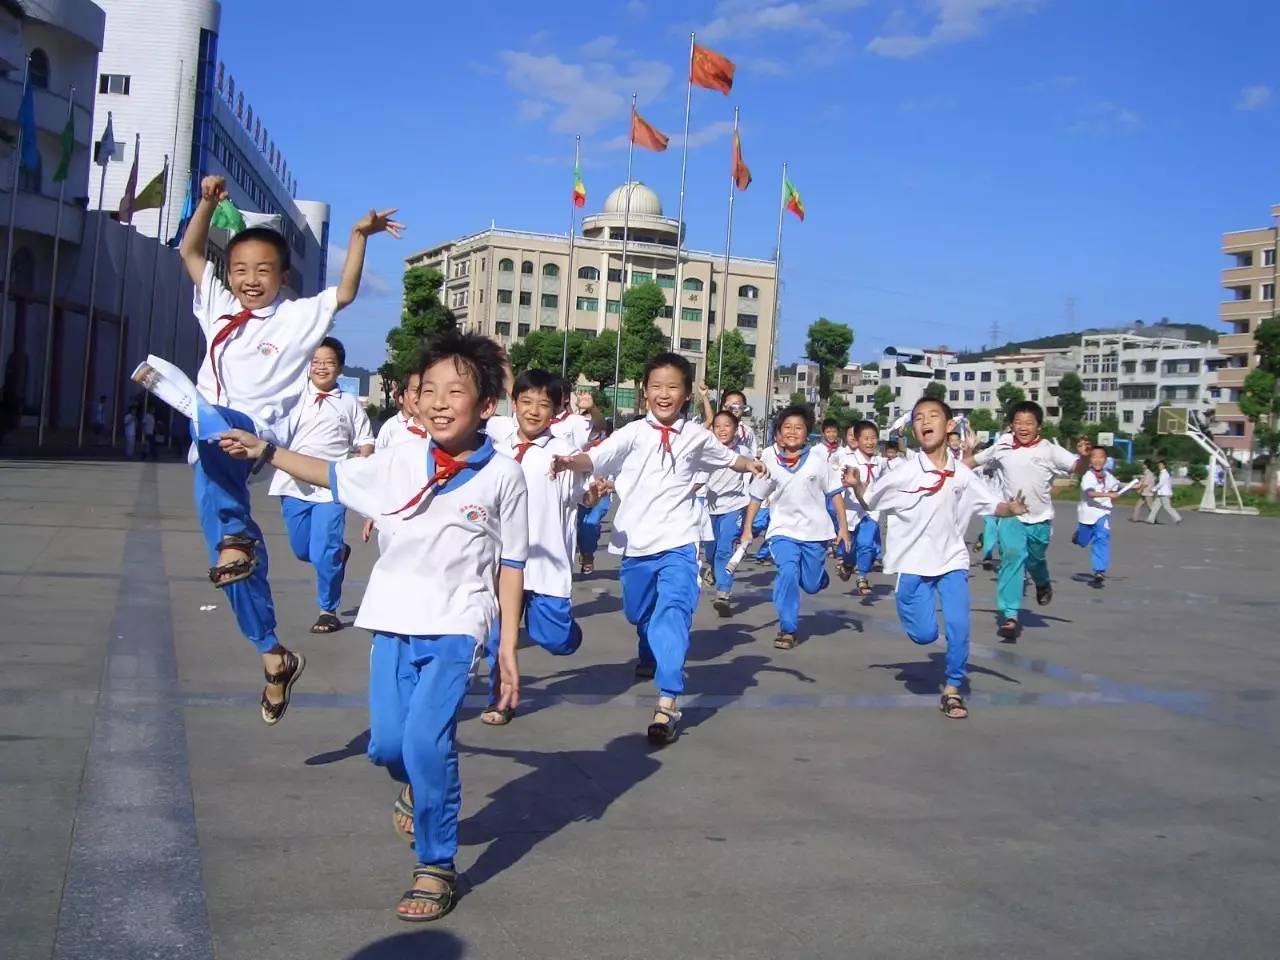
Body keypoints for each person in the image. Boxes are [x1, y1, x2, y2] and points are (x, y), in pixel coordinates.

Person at [219, 330, 526, 923]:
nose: (437, 402)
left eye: (455, 391)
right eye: (428, 390)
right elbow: (331, 476)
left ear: (486, 405)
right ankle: (414, 788)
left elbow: (511, 563)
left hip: (457, 625)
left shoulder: (504, 477)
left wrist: (507, 645)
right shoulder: (399, 458)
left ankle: (435, 864)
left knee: (425, 742)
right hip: (391, 619)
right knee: (388, 745)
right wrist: (265, 451)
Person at [154, 174, 400, 724]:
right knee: (232, 569)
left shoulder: (294, 317)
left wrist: (360, 237)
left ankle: (239, 535)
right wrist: (207, 204)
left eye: (262, 271)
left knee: (218, 435)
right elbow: (190, 250)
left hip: (254, 434)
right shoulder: (215, 304)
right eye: (240, 270)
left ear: (281, 276)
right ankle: (274, 655)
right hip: (212, 444)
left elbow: (345, 293)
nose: (249, 280)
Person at [551, 352, 766, 744]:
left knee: (673, 614)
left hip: (680, 542)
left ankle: (668, 700)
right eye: (656, 387)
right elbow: (595, 457)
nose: (664, 394)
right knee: (639, 612)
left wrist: (750, 465)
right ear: (644, 391)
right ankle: (649, 650)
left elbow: (728, 458)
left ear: (685, 394)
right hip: (635, 543)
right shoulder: (633, 433)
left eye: (673, 387)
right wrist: (569, 462)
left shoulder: (698, 436)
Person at [846, 397, 1028, 719]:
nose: (925, 421)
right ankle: (909, 604)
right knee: (925, 635)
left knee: (959, 625)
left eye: (933, 416)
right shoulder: (904, 471)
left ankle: (953, 689)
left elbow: (991, 503)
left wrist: (1009, 509)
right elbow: (871, 500)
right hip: (914, 563)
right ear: (914, 428)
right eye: (918, 418)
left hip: (952, 561)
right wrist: (858, 484)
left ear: (948, 426)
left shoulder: (962, 474)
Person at [481, 369, 598, 725]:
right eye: (526, 402)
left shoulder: (563, 453)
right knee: (497, 639)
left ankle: (567, 632)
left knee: (555, 640)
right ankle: (501, 701)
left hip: (546, 565)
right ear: (513, 403)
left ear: (556, 409)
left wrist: (595, 492)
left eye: (543, 404)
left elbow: (584, 497)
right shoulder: (494, 450)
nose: (533, 411)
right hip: (501, 563)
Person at [268, 337, 374, 633]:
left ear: (339, 367)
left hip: (331, 487)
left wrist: (360, 467)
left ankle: (328, 609)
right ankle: (338, 552)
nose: (321, 368)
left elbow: (366, 440)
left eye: (328, 362)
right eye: (316, 362)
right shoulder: (293, 397)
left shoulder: (350, 404)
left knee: (323, 551)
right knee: (303, 550)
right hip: (293, 485)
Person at [965, 402, 1088, 640]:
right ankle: (1010, 614)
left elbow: (1077, 467)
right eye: (1018, 422)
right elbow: (970, 464)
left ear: (1038, 426)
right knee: (1011, 556)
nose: (1023, 427)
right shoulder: (1002, 445)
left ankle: (1042, 581)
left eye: (1029, 423)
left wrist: (1084, 457)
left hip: (1040, 519)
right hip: (1012, 515)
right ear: (1011, 425)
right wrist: (961, 456)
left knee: (1035, 559)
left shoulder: (1049, 449)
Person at [742, 405, 849, 650]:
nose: (792, 432)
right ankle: (788, 628)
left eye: (798, 427)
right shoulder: (769, 459)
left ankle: (818, 577)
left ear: (807, 432)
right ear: (778, 432)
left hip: (815, 532)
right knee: (787, 572)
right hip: (783, 531)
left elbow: (835, 494)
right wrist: (748, 528)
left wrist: (842, 527)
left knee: (810, 585)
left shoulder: (818, 459)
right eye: (787, 427)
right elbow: (757, 497)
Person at [705, 409, 752, 616]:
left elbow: (754, 477)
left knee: (725, 548)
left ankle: (723, 592)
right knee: (711, 551)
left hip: (733, 506)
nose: (722, 430)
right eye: (718, 426)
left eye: (727, 425)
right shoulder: (706, 450)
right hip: (708, 507)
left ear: (735, 429)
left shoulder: (744, 452)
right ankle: (713, 569)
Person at [835, 420, 884, 596]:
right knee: (849, 547)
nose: (870, 442)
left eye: (873, 438)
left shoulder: (880, 462)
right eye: (866, 438)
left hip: (870, 511)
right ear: (856, 440)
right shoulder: (848, 462)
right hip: (850, 511)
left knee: (867, 543)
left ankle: (862, 575)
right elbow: (837, 487)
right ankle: (847, 563)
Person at [1074, 445, 1124, 586]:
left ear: (1105, 459)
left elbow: (1118, 485)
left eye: (1101, 457)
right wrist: (1108, 494)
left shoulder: (1108, 475)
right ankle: (1078, 537)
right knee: (1083, 541)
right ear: (1090, 459)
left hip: (1103, 512)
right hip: (1087, 514)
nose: (1098, 460)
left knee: (1102, 538)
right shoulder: (1088, 476)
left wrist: (1134, 486)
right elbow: (1090, 493)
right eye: (1094, 457)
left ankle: (1099, 571)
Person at [1147, 459, 1183, 525]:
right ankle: (1150, 519)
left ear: (1164, 466)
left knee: (1167, 507)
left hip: (1164, 494)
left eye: (1160, 465)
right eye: (1158, 465)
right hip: (1161, 494)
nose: (1159, 466)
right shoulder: (1162, 473)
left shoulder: (1164, 474)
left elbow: (1161, 483)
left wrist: (1153, 489)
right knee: (1154, 507)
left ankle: (1178, 518)